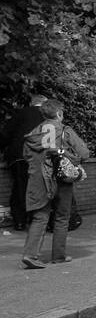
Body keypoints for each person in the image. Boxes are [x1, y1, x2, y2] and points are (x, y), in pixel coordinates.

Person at [20, 99, 89, 269]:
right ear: (59, 114)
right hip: (61, 180)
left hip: (39, 180)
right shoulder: (66, 130)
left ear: (43, 114)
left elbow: (27, 156)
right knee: (61, 217)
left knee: (40, 217)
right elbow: (84, 153)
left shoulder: (34, 133)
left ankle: (30, 255)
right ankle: (58, 256)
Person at [4, 93, 47, 231]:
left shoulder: (21, 113)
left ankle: (20, 221)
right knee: (42, 188)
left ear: (32, 103)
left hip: (19, 155)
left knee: (20, 187)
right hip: (41, 156)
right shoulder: (49, 115)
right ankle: (40, 220)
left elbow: (5, 134)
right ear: (44, 103)